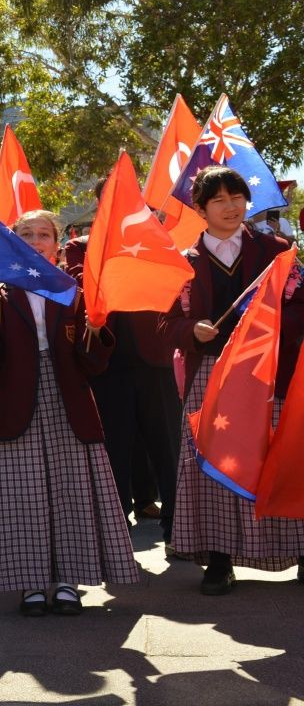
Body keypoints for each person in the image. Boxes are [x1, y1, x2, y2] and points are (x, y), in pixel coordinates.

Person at [0, 210, 138, 616]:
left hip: (69, 401)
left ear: (58, 244)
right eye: (25, 234)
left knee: (70, 493)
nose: (34, 240)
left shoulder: (77, 292)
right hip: (17, 405)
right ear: (11, 242)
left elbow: (92, 363)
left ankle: (68, 581)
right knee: (23, 496)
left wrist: (97, 329)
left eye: (43, 234)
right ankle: (30, 584)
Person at [160, 166, 304, 593]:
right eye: (219, 200)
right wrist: (191, 332)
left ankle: (300, 551)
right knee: (213, 462)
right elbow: (164, 324)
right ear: (201, 209)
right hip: (210, 373)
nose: (231, 206)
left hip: (267, 369)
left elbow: (299, 306)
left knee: (279, 454)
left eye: (237, 197)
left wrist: (267, 331)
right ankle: (219, 560)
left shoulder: (278, 250)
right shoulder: (182, 261)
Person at [64, 180, 180, 541]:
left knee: (167, 448)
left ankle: (179, 530)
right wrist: (114, 261)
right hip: (107, 364)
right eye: (110, 200)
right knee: (113, 447)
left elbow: (172, 284)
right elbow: (80, 284)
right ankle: (115, 529)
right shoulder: (80, 247)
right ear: (99, 205)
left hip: (155, 361)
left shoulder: (156, 243)